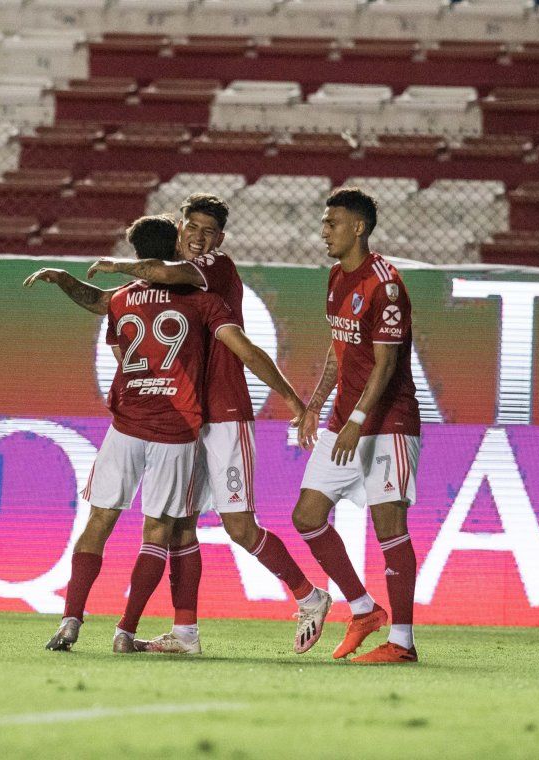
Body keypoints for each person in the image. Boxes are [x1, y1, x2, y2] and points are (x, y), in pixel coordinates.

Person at [28, 194, 327, 655]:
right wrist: (69, 280)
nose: (199, 237)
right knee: (180, 526)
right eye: (192, 228)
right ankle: (185, 633)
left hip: (224, 413)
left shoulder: (214, 270)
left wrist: (294, 401)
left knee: (239, 527)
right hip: (187, 419)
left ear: (219, 239)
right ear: (179, 229)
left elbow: (164, 285)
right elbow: (107, 300)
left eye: (208, 231)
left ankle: (310, 596)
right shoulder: (173, 289)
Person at [293, 187, 422, 664]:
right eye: (324, 223)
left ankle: (403, 644)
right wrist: (314, 405)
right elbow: (340, 349)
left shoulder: (385, 285)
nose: (323, 231)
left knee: (390, 528)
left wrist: (358, 422)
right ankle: (364, 609)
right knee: (306, 516)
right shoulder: (335, 277)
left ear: (358, 228)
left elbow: (386, 364)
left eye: (332, 223)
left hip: (388, 422)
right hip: (344, 419)